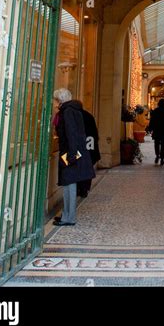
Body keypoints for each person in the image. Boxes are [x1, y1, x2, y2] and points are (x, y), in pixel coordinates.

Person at [52, 88, 94, 226]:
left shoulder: (68, 112)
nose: (54, 103)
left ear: (60, 100)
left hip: (70, 153)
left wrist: (70, 156)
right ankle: (66, 214)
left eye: (56, 100)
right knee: (68, 184)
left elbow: (72, 134)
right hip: (72, 152)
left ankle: (69, 218)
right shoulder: (74, 110)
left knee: (69, 185)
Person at [76, 102, 101, 198]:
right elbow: (94, 133)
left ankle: (80, 188)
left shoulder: (76, 117)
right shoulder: (89, 116)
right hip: (90, 147)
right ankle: (85, 189)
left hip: (81, 147)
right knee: (87, 167)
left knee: (78, 167)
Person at [147, 98, 164, 165]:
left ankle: (157, 155)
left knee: (156, 143)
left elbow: (152, 121)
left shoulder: (155, 111)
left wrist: (150, 128)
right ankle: (162, 159)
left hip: (157, 130)